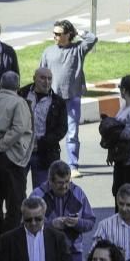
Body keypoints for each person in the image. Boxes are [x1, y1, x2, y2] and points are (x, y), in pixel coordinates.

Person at [39, 20, 97, 175]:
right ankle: (51, 161)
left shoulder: (78, 49)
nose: (55, 36)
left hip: (72, 97)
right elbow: (41, 72)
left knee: (72, 132)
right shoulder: (48, 51)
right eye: (54, 33)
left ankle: (73, 165)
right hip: (52, 98)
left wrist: (78, 32)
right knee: (50, 130)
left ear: (68, 35)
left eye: (58, 34)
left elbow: (92, 38)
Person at [30, 160, 95, 261]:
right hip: (46, 251)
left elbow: (90, 221)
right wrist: (50, 224)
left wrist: (77, 223)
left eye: (67, 182)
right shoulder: (37, 195)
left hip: (73, 251)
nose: (65, 186)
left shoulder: (78, 193)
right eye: (60, 183)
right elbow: (26, 225)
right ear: (50, 181)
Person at [0, 72, 34, 233]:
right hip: (11, 158)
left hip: (3, 156)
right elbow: (19, 128)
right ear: (18, 86)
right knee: (15, 204)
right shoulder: (19, 103)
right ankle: (8, 240)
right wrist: (2, 145)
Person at [19, 68, 66, 190]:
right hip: (21, 151)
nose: (46, 82)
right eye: (43, 78)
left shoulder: (58, 102)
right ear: (34, 78)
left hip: (44, 154)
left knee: (41, 192)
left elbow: (62, 129)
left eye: (49, 78)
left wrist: (42, 143)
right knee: (16, 191)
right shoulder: (22, 94)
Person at [92, 184, 130, 261]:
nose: (124, 208)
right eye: (121, 204)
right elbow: (94, 255)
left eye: (129, 205)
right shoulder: (105, 226)